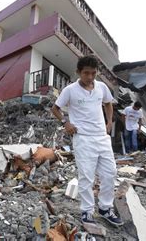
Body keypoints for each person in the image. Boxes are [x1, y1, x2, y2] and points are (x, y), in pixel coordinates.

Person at [51, 55, 123, 226]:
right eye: (86, 73)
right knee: (86, 177)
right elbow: (55, 108)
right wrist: (65, 123)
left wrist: (109, 122)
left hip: (102, 137)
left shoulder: (102, 87)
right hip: (83, 138)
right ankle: (87, 211)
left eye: (93, 73)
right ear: (78, 72)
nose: (90, 77)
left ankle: (105, 208)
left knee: (110, 173)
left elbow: (108, 103)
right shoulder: (70, 90)